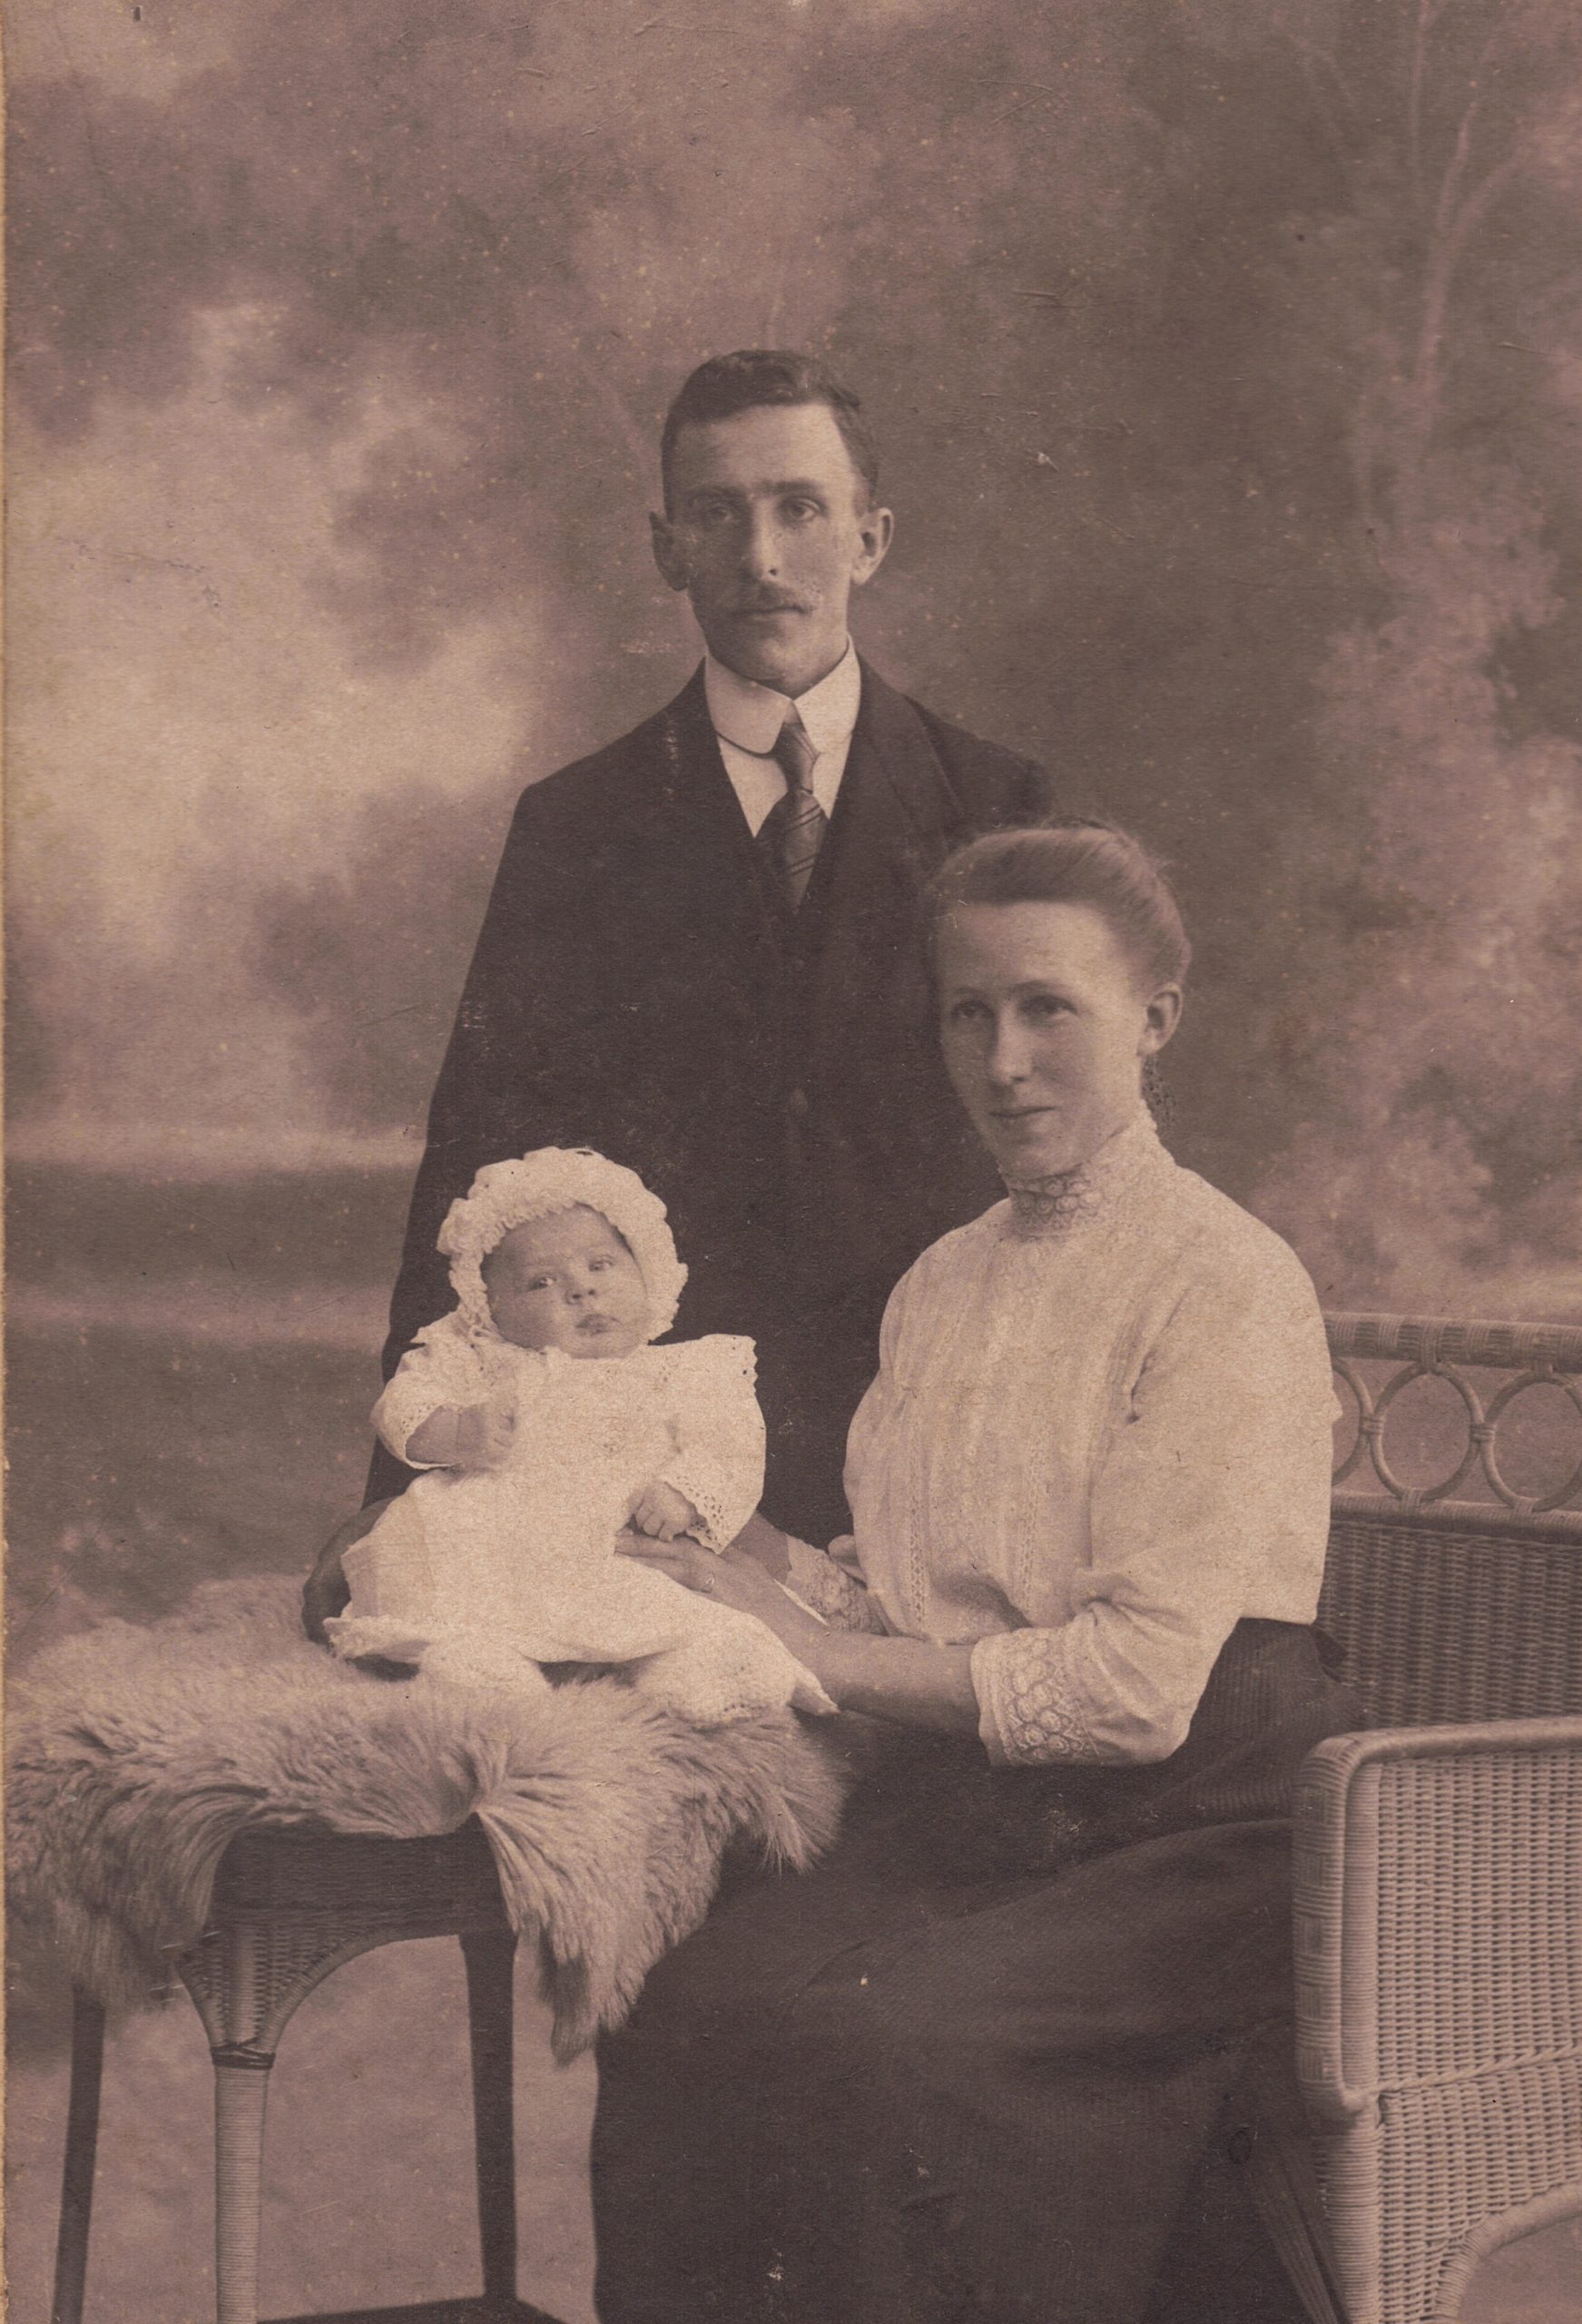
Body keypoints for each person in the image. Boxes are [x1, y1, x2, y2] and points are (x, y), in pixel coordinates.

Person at [591, 822, 1361, 2324]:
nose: (1002, 1062)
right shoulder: (941, 1283)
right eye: (967, 1014)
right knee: (683, 2011)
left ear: (1154, 1016)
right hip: (985, 1809)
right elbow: (909, 1605)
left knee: (893, 2053)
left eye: (1046, 1008)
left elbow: (1132, 1692)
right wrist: (731, 1560)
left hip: (1206, 1831)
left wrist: (808, 1649)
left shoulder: (1223, 1281)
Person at [363, 350, 1057, 1556]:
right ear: (666, 548)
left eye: (800, 508)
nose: (762, 556)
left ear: (871, 538)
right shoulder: (575, 826)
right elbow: (479, 1164)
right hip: (649, 1476)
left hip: (938, 1443)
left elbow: (1064, 1152)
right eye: (717, 514)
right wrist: (389, 1512)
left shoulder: (999, 808)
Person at [324, 1146, 832, 1723]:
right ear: (491, 1308)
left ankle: (694, 1666)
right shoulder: (479, 1359)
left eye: (601, 1265)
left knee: (669, 1608)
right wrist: (458, 1431)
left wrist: (685, 1492)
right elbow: (403, 1406)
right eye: (541, 1282)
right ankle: (484, 1664)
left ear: (647, 1271)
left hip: (619, 1539)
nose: (580, 1290)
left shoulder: (689, 1370)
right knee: (450, 1595)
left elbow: (730, 1445)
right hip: (495, 1542)